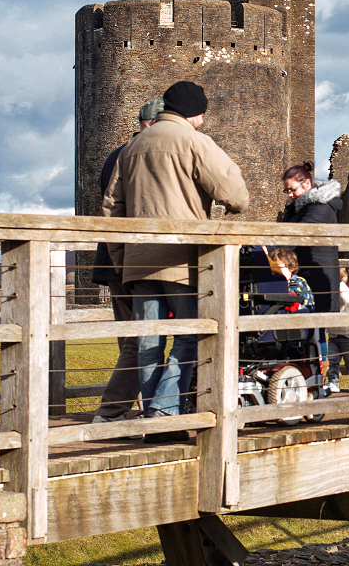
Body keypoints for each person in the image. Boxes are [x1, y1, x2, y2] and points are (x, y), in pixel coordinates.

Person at [102, 80, 249, 442]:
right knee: (190, 337)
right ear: (194, 112)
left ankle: (157, 427)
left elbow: (111, 210)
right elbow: (236, 193)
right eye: (201, 114)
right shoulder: (194, 142)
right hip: (181, 259)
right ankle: (165, 410)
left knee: (149, 341)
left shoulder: (132, 147)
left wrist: (123, 261)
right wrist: (226, 207)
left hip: (138, 260)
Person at [91, 98, 162, 426]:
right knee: (140, 340)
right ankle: (113, 413)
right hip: (134, 258)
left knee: (131, 340)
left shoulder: (115, 154)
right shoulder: (141, 154)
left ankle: (136, 410)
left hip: (115, 256)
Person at [282, 161, 345, 393]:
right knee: (307, 331)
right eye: (286, 191)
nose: (290, 195)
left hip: (317, 276)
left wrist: (269, 251)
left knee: (319, 332)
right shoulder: (298, 207)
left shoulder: (320, 207)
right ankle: (307, 379)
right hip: (304, 274)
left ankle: (320, 381)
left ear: (307, 183)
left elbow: (297, 234)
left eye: (293, 189)